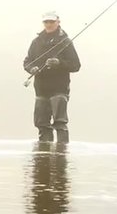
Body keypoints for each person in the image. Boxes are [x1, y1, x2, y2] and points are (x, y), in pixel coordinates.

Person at [23, 11, 81, 143]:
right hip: (41, 89)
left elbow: (76, 65)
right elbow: (27, 62)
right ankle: (43, 159)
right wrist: (31, 69)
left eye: (52, 22)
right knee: (41, 124)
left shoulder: (65, 42)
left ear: (58, 22)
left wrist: (59, 63)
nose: (49, 24)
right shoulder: (36, 42)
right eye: (46, 22)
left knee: (60, 123)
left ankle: (62, 156)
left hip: (60, 89)